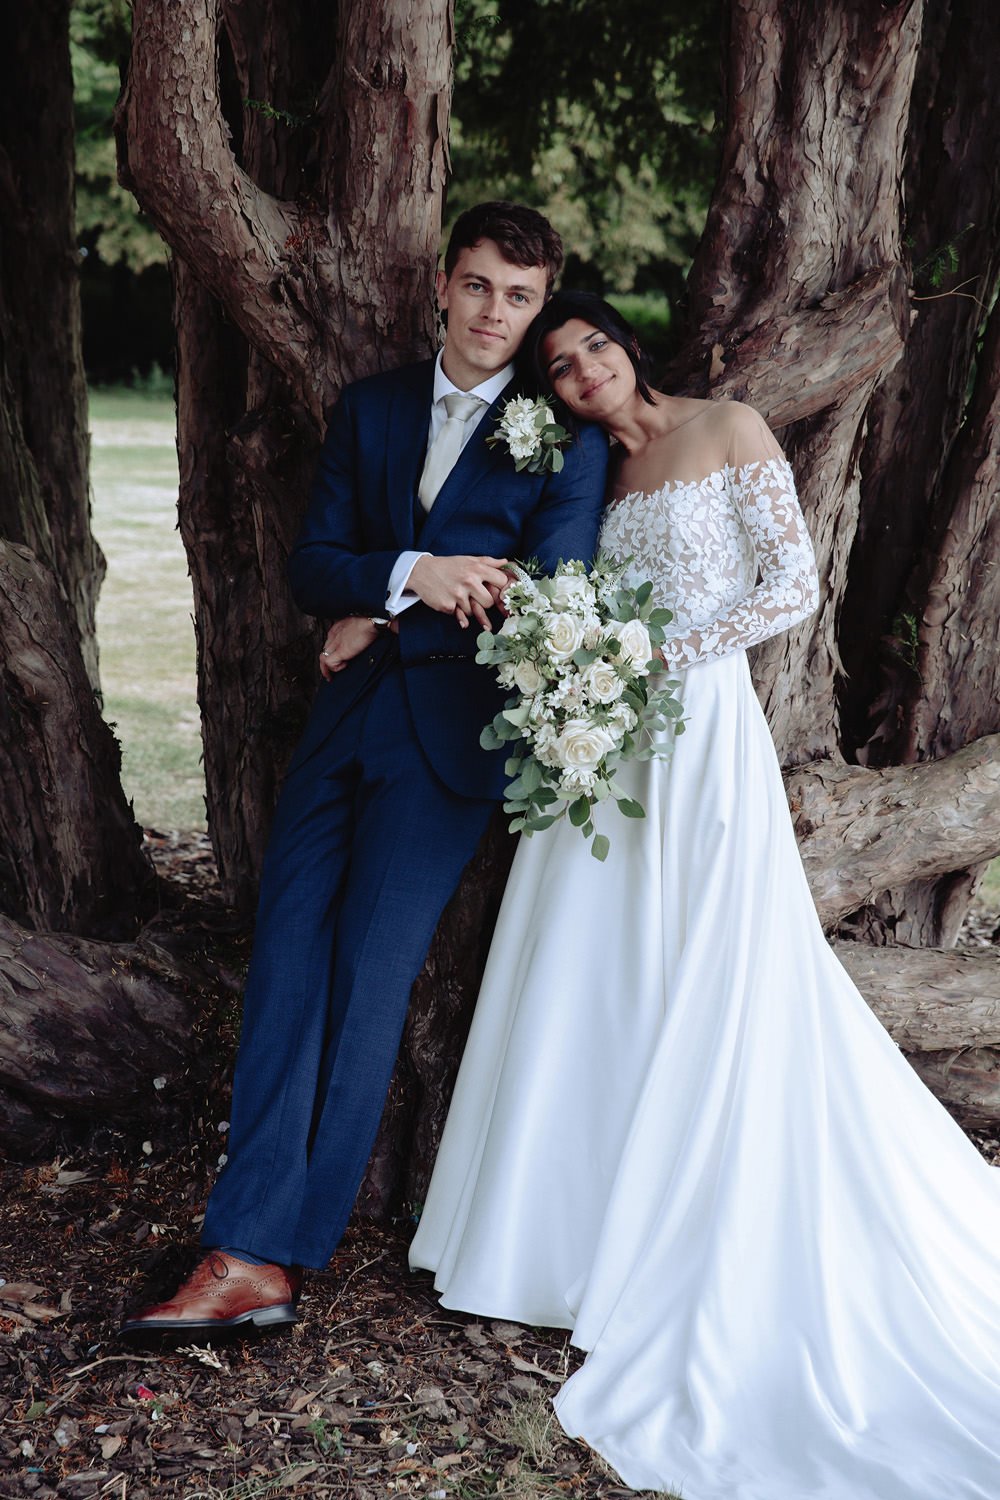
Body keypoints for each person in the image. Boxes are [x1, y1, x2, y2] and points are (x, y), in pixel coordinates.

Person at [407, 291, 1000, 1499]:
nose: (584, 373)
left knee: (705, 956)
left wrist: (653, 653)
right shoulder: (585, 479)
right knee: (589, 961)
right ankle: (558, 1233)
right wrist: (584, 662)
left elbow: (787, 590)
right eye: (561, 366)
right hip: (602, 737)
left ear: (628, 344)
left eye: (594, 348)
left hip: (700, 725)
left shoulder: (729, 427)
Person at [119, 208, 608, 1338]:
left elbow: (556, 590)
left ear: (541, 312)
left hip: (450, 748)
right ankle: (245, 1239)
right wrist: (405, 577)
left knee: (368, 985)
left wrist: (396, 616)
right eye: (479, 287)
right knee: (285, 959)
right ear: (443, 285)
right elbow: (312, 564)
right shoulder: (372, 406)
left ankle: (267, 1258)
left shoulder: (560, 436)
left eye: (520, 298)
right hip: (340, 727)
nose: (494, 314)